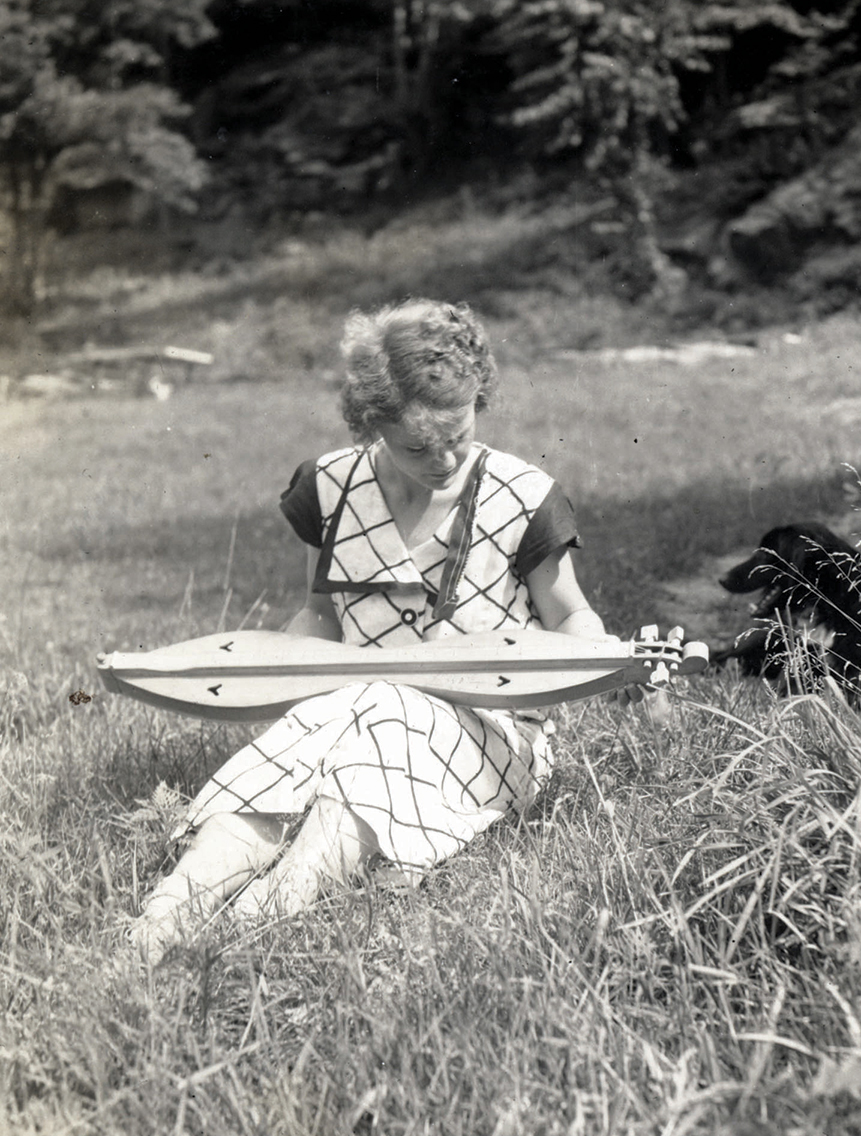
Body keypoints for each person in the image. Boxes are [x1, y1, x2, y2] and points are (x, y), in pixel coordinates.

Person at [130, 298, 627, 963]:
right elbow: (320, 614)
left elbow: (569, 614)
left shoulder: (524, 494)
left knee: (385, 706)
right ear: (372, 423)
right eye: (419, 445)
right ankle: (169, 908)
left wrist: (591, 657)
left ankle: (267, 908)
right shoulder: (330, 486)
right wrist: (283, 672)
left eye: (460, 431)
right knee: (320, 738)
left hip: (490, 727)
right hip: (351, 704)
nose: (446, 457)